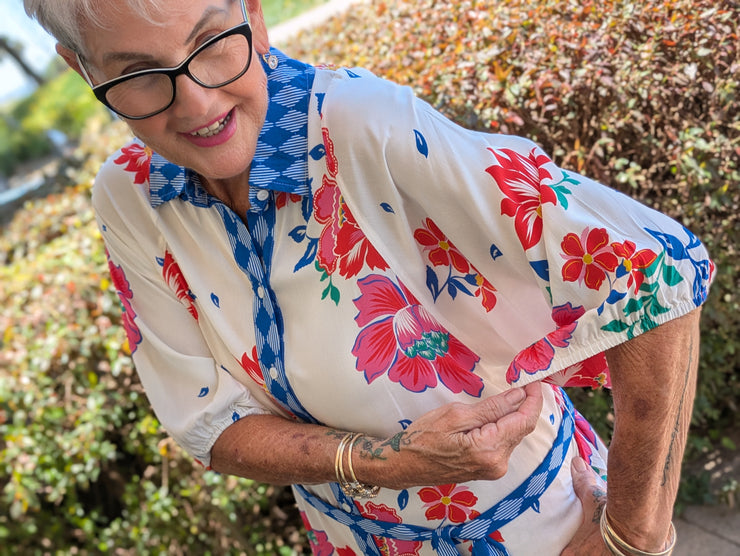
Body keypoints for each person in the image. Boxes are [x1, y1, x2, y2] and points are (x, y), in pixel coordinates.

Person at [24, 0, 714, 554]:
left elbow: (659, 270)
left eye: (211, 43)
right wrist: (388, 464)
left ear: (255, 16)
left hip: (545, 536)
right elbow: (209, 422)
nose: (198, 103)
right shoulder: (128, 195)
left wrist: (632, 536)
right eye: (139, 74)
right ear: (83, 71)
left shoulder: (365, 127)